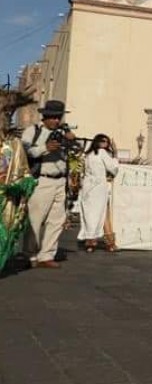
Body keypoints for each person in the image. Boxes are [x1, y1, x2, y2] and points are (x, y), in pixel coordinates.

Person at [21, 100, 75, 269]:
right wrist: (45, 148)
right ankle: (30, 254)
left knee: (57, 220)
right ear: (45, 116)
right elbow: (25, 151)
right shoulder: (33, 131)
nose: (56, 121)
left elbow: (76, 151)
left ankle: (47, 254)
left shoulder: (62, 132)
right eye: (53, 117)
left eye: (58, 117)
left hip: (60, 180)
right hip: (42, 180)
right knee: (36, 219)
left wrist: (71, 141)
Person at [78, 134, 119, 252]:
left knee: (89, 214)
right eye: (103, 141)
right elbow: (113, 168)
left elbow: (82, 171)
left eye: (107, 142)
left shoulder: (87, 155)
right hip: (98, 187)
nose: (105, 143)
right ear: (98, 142)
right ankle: (110, 242)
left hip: (87, 187)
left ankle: (90, 242)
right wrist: (115, 154)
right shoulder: (101, 153)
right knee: (103, 213)